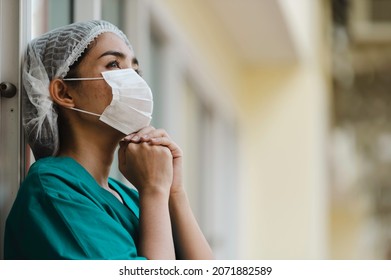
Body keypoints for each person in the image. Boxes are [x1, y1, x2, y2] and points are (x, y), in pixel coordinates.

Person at [4, 20, 213, 260]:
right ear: (64, 93)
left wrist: (174, 191)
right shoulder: (54, 190)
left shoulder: (130, 197)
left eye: (135, 70)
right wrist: (155, 191)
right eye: (114, 64)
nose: (135, 81)